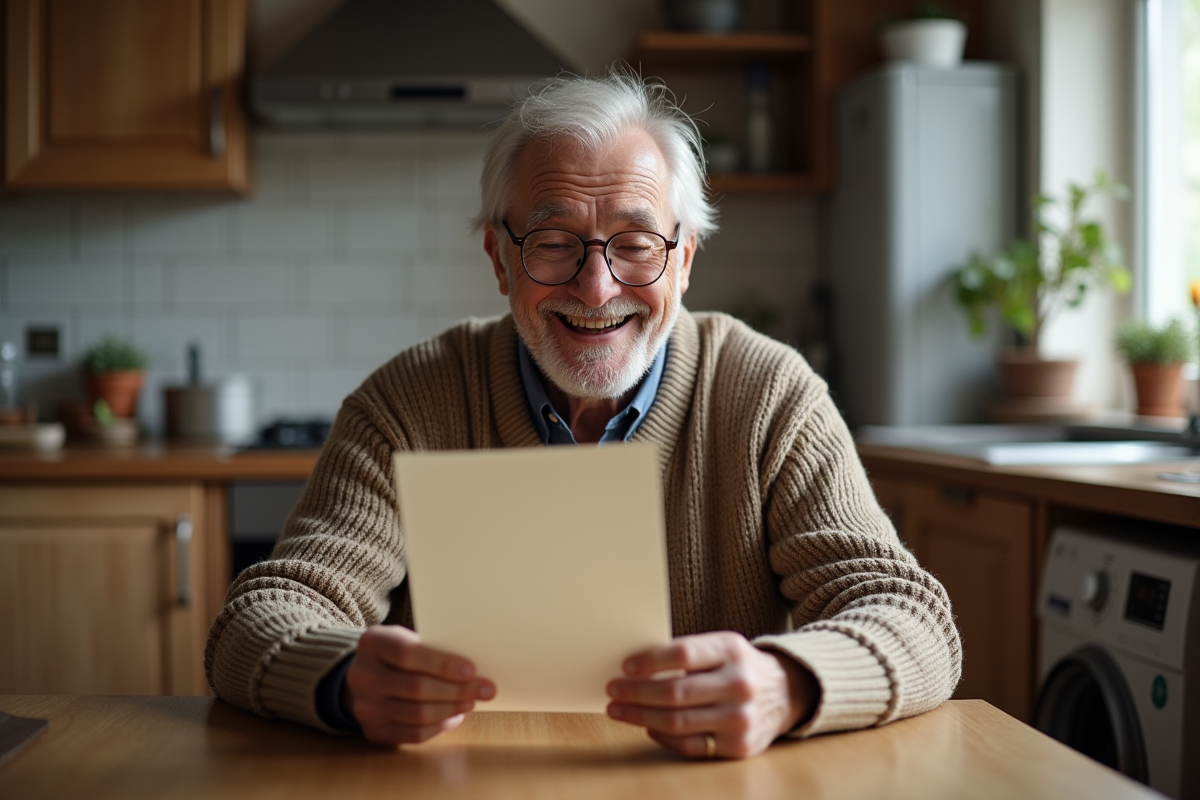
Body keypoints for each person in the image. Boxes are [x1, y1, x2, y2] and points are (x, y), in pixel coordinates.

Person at [205, 71, 961, 760]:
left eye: (634, 245)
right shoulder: (407, 404)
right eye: (555, 243)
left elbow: (912, 618)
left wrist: (788, 683)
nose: (597, 288)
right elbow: (258, 616)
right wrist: (342, 680)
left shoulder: (770, 394)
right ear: (500, 258)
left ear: (685, 259)